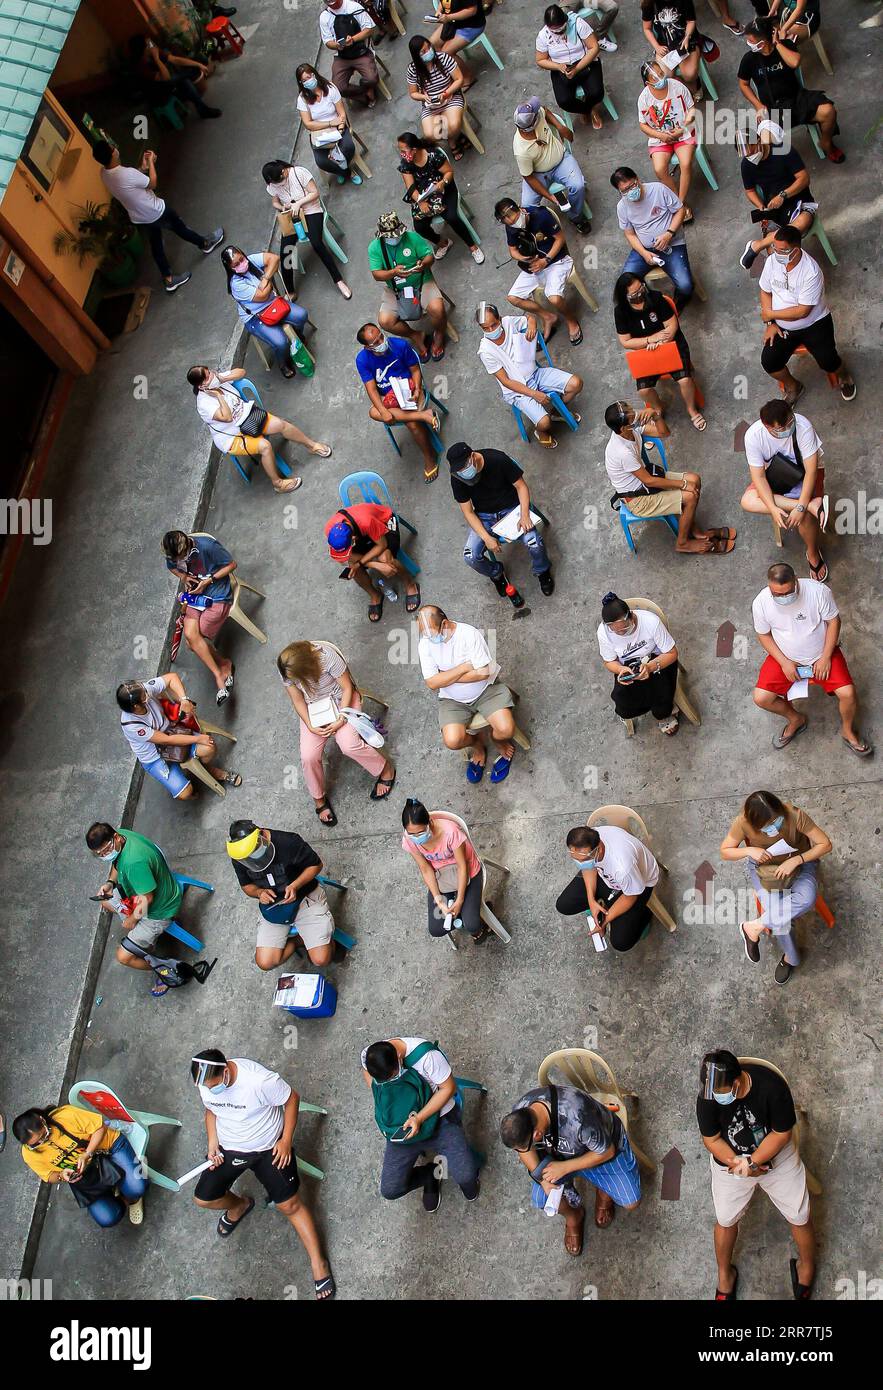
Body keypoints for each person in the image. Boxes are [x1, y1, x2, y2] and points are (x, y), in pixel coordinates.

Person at [190, 1050, 335, 1299]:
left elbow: (292, 1100)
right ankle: (240, 1205)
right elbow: (211, 1110)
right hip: (228, 1148)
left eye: (214, 1085)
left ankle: (318, 1263)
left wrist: (286, 1140)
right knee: (203, 1198)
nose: (209, 1089)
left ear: (226, 1071)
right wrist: (212, 1141)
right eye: (206, 1086)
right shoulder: (206, 1083)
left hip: (268, 1147)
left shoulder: (259, 1081)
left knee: (289, 1205)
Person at [697, 1050, 815, 1300]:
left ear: (737, 1083)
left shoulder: (772, 1087)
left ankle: (807, 1267)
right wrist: (738, 1163)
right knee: (725, 1219)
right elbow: (711, 1139)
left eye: (721, 1093)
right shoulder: (708, 1094)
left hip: (776, 1157)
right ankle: (724, 1274)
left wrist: (754, 1162)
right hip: (730, 1162)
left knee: (799, 1214)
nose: (716, 1098)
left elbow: (782, 1134)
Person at [500, 1079, 641, 1253]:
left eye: (527, 1145)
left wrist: (565, 1167)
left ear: (537, 1134)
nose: (524, 1151)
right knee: (542, 1199)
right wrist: (542, 1179)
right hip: (559, 1157)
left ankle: (604, 1191)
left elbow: (607, 1151)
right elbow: (524, 1150)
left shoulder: (577, 1118)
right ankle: (574, 1216)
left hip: (598, 1152)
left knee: (631, 1202)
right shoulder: (521, 1113)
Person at [751, 562, 872, 756]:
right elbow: (763, 635)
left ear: (796, 582)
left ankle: (848, 730)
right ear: (769, 587)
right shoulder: (761, 602)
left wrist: (825, 657)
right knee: (761, 698)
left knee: (848, 693)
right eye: (777, 594)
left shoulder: (818, 591)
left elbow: (833, 622)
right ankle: (795, 719)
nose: (783, 598)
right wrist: (784, 662)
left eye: (788, 592)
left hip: (821, 654)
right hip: (786, 658)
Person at [278, 640, 396, 826]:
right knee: (308, 756)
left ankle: (385, 768)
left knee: (348, 745)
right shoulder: (287, 670)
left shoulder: (326, 657)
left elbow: (347, 687)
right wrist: (309, 725)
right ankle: (319, 798)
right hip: (314, 709)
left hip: (342, 701)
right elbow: (298, 700)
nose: (295, 681)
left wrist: (341, 717)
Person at [720, 791, 832, 986]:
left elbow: (825, 844)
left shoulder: (796, 816)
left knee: (806, 898)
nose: (774, 827)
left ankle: (754, 927)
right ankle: (791, 959)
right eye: (767, 826)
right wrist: (748, 850)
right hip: (764, 870)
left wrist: (798, 859)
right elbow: (725, 851)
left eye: (777, 821)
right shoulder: (742, 823)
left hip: (800, 865)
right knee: (779, 917)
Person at [362, 1036, 481, 1211]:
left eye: (392, 1077)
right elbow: (369, 1077)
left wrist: (419, 1118)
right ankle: (430, 1174)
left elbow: (448, 1088)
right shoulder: (368, 1056)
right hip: (403, 1127)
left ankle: (470, 1183)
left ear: (399, 1058)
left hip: (440, 1120)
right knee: (390, 1189)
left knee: (466, 1176)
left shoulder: (427, 1057)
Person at [603, 400, 736, 553]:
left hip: (646, 483)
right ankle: (682, 543)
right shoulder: (622, 452)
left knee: (695, 479)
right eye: (632, 415)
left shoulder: (632, 428)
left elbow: (664, 433)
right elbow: (649, 481)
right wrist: (683, 485)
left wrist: (655, 415)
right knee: (690, 495)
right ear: (624, 428)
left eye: (632, 410)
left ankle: (696, 531)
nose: (637, 414)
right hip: (637, 499)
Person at [93, 141, 223, 293]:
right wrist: (151, 163)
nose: (115, 148)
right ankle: (205, 243)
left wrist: (142, 168)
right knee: (180, 227)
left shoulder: (104, 174)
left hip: (139, 216)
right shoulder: (125, 173)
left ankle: (168, 279)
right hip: (156, 211)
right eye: (112, 148)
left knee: (156, 247)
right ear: (112, 154)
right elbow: (152, 183)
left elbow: (131, 183)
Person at [187, 365, 330, 493]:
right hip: (232, 436)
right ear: (201, 386)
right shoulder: (204, 404)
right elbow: (227, 418)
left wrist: (223, 378)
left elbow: (241, 372)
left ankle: (311, 446)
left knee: (281, 424)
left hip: (247, 417)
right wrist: (218, 395)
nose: (212, 375)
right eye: (208, 376)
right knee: (265, 446)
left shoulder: (217, 378)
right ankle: (278, 483)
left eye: (210, 372)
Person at [417, 604, 518, 783]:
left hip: (486, 690)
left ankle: (497, 741)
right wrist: (463, 668)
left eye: (431, 634)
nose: (427, 638)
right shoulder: (425, 644)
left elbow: (483, 673)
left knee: (506, 729)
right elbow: (432, 683)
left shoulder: (469, 635)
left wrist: (444, 676)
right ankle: (477, 744)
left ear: (445, 624)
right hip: (452, 699)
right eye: (423, 634)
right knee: (452, 741)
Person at [757, 225, 855, 403]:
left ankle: (844, 375)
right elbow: (765, 291)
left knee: (828, 361)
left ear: (795, 250)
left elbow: (802, 312)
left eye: (781, 250)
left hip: (814, 324)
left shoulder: (811, 272)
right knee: (769, 362)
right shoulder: (772, 262)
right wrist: (770, 323)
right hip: (781, 326)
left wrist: (770, 314)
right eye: (774, 248)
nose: (775, 253)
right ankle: (793, 386)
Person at [447, 440, 554, 598]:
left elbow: (521, 487)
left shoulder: (497, 459)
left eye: (464, 467)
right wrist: (486, 537)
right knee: (470, 556)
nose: (463, 472)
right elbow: (468, 512)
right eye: (459, 470)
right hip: (484, 516)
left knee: (534, 542)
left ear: (472, 456)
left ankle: (542, 570)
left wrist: (524, 515)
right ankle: (496, 574)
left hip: (512, 509)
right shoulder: (458, 478)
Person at [15, 1103, 147, 1229]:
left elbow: (100, 1127)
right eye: (36, 1144)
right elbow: (49, 1176)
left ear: (42, 1120)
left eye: (43, 1135)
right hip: (88, 1174)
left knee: (137, 1189)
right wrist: (61, 1176)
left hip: (110, 1147)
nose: (44, 1141)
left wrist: (87, 1154)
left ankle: (132, 1198)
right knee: (108, 1218)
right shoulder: (29, 1154)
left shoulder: (65, 1115)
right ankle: (121, 1190)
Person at [226, 820, 337, 970]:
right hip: (274, 907)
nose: (251, 857)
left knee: (321, 960)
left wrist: (295, 885)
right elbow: (246, 886)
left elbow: (316, 865)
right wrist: (259, 893)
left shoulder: (288, 842)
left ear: (261, 834)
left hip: (304, 896)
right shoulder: (241, 856)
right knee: (265, 963)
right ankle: (300, 940)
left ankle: (323, 942)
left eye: (254, 851)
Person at [740, 401, 828, 580]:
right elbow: (759, 477)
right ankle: (812, 505)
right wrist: (772, 508)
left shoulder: (803, 426)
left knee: (804, 517)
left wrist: (801, 508)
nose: (788, 428)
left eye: (790, 422)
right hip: (777, 475)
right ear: (767, 427)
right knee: (747, 501)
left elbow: (811, 471)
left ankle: (812, 552)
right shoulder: (753, 436)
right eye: (781, 428)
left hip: (805, 472)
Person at [116, 673, 240, 799]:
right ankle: (186, 779)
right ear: (136, 706)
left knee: (209, 748)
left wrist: (184, 699)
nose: (147, 691)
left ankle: (210, 770)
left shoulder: (143, 689)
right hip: (156, 756)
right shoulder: (133, 726)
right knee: (185, 793)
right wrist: (198, 738)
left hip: (173, 731)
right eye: (144, 695)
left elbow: (171, 678)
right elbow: (167, 740)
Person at [476, 302, 582, 449]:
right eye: (485, 328)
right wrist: (534, 394)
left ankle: (555, 411)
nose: (490, 330)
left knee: (576, 384)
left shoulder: (508, 322)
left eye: (493, 325)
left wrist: (531, 323)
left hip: (535, 373)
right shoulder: (486, 351)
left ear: (499, 319)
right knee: (545, 423)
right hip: (517, 391)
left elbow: (529, 316)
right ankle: (540, 432)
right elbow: (506, 381)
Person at [738, 18, 843, 162]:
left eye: (751, 40)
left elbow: (794, 62)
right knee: (763, 145)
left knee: (829, 111)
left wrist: (777, 43)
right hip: (772, 109)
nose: (748, 43)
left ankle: (826, 142)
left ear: (763, 41)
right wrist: (758, 105)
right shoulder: (749, 59)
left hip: (797, 99)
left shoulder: (786, 46)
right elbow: (743, 84)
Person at [612, 272, 704, 431]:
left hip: (670, 344)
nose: (639, 294)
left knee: (685, 380)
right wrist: (650, 340)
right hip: (645, 352)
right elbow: (625, 341)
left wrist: (661, 342)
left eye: (640, 288)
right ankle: (657, 407)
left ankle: (691, 409)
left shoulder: (655, 298)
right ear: (624, 296)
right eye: (634, 294)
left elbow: (671, 326)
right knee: (644, 390)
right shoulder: (621, 312)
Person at [355, 322, 443, 482]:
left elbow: (415, 370)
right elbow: (371, 388)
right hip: (388, 397)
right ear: (367, 347)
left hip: (410, 391)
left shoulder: (400, 345)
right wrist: (382, 410)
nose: (382, 342)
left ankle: (429, 456)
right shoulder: (362, 360)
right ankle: (423, 416)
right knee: (374, 412)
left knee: (412, 424)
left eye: (381, 336)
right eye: (376, 343)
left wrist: (417, 389)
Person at [556, 823, 660, 952]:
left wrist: (604, 922)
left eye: (584, 860)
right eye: (576, 859)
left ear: (598, 848)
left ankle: (644, 915)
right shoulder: (589, 838)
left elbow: (631, 896)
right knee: (564, 905)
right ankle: (601, 905)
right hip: (608, 878)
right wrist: (591, 900)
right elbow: (589, 869)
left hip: (635, 886)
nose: (580, 864)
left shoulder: (622, 867)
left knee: (621, 942)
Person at [494, 194, 582, 345]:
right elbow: (512, 250)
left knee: (553, 297)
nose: (511, 222)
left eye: (512, 218)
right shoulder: (511, 227)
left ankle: (571, 320)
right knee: (513, 297)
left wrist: (545, 260)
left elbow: (560, 239)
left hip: (556, 261)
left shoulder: (541, 215)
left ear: (519, 209)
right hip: (533, 266)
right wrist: (524, 258)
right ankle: (547, 316)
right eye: (506, 221)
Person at [162, 530, 237, 704]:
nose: (177, 561)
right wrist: (184, 577)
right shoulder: (173, 556)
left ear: (188, 546)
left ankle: (223, 666)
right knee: (192, 638)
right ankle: (220, 673)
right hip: (195, 597)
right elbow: (171, 567)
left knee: (193, 641)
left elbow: (232, 565)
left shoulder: (207, 546)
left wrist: (208, 581)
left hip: (216, 594)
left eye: (181, 557)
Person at [401, 799, 488, 943]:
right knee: (436, 929)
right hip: (442, 877)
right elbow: (425, 868)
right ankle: (468, 912)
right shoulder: (409, 840)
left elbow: (462, 866)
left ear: (430, 822)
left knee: (472, 924)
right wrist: (439, 900)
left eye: (421, 832)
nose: (417, 838)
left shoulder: (450, 832)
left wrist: (460, 900)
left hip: (468, 872)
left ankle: (476, 923)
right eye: (412, 834)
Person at [262, 159, 352, 299]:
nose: (280, 184)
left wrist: (299, 203)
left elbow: (315, 193)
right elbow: (275, 202)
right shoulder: (273, 184)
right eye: (277, 183)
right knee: (286, 251)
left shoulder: (299, 172)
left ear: (283, 170)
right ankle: (290, 290)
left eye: (281, 180)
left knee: (317, 244)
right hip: (292, 216)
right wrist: (283, 207)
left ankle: (338, 280)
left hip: (311, 210)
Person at [367, 211, 448, 362]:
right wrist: (393, 272)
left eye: (396, 234)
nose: (395, 238)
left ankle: (439, 333)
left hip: (422, 280)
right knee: (385, 321)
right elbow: (377, 274)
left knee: (437, 309)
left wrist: (423, 264)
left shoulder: (412, 237)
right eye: (390, 236)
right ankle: (415, 335)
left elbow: (429, 257)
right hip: (396, 288)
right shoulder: (375, 248)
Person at [597, 592, 680, 736]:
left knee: (661, 690)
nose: (621, 634)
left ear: (631, 617)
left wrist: (650, 667)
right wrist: (620, 669)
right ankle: (632, 712)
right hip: (628, 666)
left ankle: (663, 714)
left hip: (656, 658)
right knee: (622, 697)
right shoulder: (604, 632)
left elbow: (672, 654)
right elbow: (609, 661)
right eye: (615, 631)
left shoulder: (651, 622)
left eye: (624, 628)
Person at [220, 245, 309, 381]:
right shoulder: (236, 285)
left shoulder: (251, 261)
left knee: (302, 315)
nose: (241, 264)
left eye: (241, 259)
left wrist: (266, 278)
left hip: (274, 304)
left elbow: (274, 258)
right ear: (230, 268)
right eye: (236, 264)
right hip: (256, 317)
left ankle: (298, 335)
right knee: (281, 342)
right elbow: (262, 296)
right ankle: (283, 362)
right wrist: (270, 282)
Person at [737, 119, 817, 270]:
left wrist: (783, 195)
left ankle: (757, 245)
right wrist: (760, 205)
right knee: (775, 251)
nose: (750, 156)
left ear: (759, 140)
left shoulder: (783, 150)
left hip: (800, 203)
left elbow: (804, 179)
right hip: (774, 211)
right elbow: (750, 191)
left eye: (752, 151)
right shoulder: (746, 164)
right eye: (746, 154)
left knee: (801, 223)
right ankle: (785, 277)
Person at [611, 165, 692, 310]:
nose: (630, 192)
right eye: (625, 191)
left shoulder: (658, 189)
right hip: (644, 250)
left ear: (637, 179)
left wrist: (669, 233)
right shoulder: (622, 207)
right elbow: (629, 234)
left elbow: (680, 210)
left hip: (672, 244)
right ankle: (647, 304)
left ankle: (677, 301)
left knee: (686, 286)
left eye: (632, 186)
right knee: (625, 285)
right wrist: (643, 253)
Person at [326, 499, 420, 622]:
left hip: (384, 524)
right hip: (364, 534)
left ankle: (410, 584)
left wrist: (375, 563)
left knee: (386, 559)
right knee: (353, 568)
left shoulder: (366, 521)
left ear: (353, 539)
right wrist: (372, 565)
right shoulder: (330, 530)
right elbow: (348, 558)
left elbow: (382, 544)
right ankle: (375, 595)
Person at [397, 132, 484, 263]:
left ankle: (473, 246)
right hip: (423, 196)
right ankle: (443, 243)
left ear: (414, 150)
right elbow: (410, 187)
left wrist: (443, 183)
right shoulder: (406, 164)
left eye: (404, 151)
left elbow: (449, 172)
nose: (402, 154)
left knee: (452, 217)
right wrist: (420, 201)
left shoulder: (433, 155)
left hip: (445, 189)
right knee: (419, 226)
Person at [512, 97, 592, 234]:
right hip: (537, 174)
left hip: (561, 160)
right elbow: (528, 177)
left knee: (578, 185)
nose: (539, 109)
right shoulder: (521, 151)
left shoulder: (537, 114)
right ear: (531, 125)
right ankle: (545, 233)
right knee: (527, 207)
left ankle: (576, 217)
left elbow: (546, 110)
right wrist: (551, 197)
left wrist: (560, 127)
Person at [637, 58, 697, 218]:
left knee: (685, 163)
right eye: (654, 79)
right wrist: (660, 135)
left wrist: (682, 127)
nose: (660, 79)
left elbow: (691, 109)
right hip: (659, 138)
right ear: (647, 84)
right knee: (659, 169)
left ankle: (681, 203)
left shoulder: (677, 86)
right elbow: (643, 125)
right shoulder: (644, 99)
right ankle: (677, 202)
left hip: (683, 133)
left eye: (661, 74)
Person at [535, 5, 604, 130]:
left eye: (560, 28)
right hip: (561, 67)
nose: (558, 32)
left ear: (565, 21)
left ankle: (593, 109)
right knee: (564, 101)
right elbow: (540, 60)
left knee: (596, 92)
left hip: (585, 62)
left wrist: (577, 68)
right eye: (554, 30)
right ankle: (586, 110)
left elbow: (594, 47)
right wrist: (558, 66)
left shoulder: (577, 23)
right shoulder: (543, 36)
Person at [296, 64, 362, 185]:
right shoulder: (302, 99)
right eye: (304, 80)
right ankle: (346, 172)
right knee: (321, 161)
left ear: (314, 75)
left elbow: (341, 113)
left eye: (309, 77)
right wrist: (329, 123)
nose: (308, 81)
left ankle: (343, 169)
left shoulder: (330, 88)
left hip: (337, 128)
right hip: (319, 133)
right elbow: (308, 124)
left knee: (347, 148)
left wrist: (340, 128)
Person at [130, 34, 221, 117]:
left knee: (185, 79)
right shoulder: (141, 66)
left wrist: (198, 64)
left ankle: (202, 109)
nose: (152, 45)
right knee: (184, 77)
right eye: (149, 45)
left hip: (164, 82)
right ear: (144, 49)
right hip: (157, 94)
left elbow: (175, 60)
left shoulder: (152, 53)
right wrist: (156, 58)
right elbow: (166, 78)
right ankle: (201, 108)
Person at [406, 35, 466, 152]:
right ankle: (453, 135)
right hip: (430, 105)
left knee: (453, 125)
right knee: (430, 135)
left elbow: (459, 79)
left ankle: (452, 142)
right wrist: (424, 97)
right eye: (423, 51)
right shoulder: (413, 70)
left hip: (451, 98)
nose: (428, 52)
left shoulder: (443, 58)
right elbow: (413, 93)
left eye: (429, 48)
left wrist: (446, 93)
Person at [318, 0, 379, 106]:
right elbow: (327, 42)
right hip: (342, 56)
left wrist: (353, 39)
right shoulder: (324, 16)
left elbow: (369, 29)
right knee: (338, 88)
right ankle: (364, 93)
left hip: (361, 51)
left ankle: (368, 86)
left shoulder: (354, 7)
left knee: (371, 79)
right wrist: (337, 45)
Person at [641, 0, 700, 93]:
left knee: (689, 75)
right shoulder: (649, 3)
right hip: (664, 46)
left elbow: (691, 21)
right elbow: (646, 29)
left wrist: (687, 36)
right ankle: (681, 87)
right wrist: (657, 47)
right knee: (663, 77)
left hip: (685, 42)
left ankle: (694, 84)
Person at [428, 0, 487, 88]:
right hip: (452, 22)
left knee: (446, 53)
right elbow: (442, 2)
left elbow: (472, 10)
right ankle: (452, 71)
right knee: (431, 45)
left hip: (471, 25)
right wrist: (439, 11)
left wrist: (449, 17)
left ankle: (468, 78)